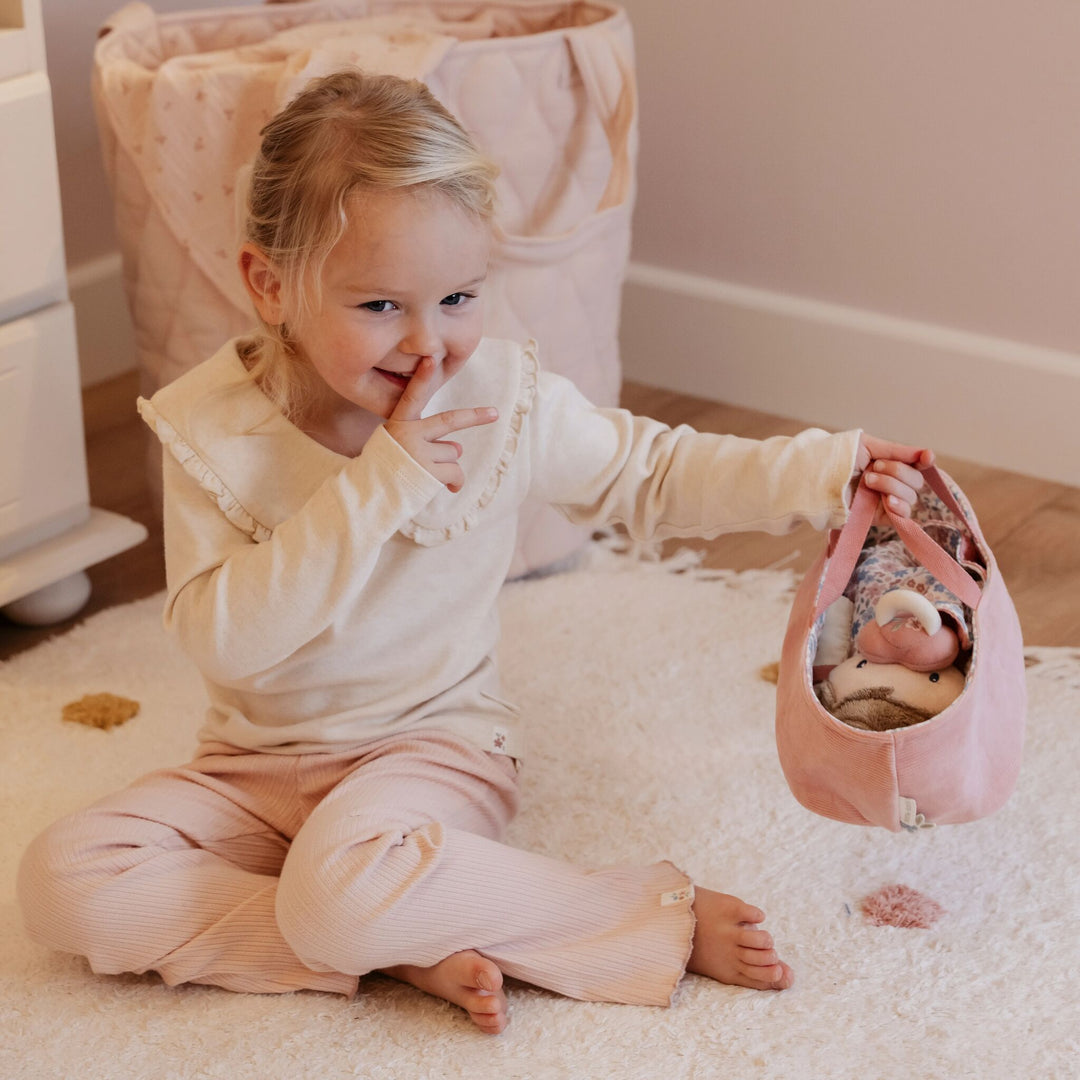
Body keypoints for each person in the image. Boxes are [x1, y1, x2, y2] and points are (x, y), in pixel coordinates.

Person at [17, 70, 932, 1035]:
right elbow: (228, 643)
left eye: (457, 296)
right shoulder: (210, 426)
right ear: (270, 285)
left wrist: (822, 471)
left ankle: (634, 914)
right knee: (63, 882)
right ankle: (391, 942)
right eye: (379, 306)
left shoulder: (497, 396)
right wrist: (378, 487)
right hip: (247, 767)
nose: (430, 342)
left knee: (341, 889)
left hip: (431, 749)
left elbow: (651, 473)